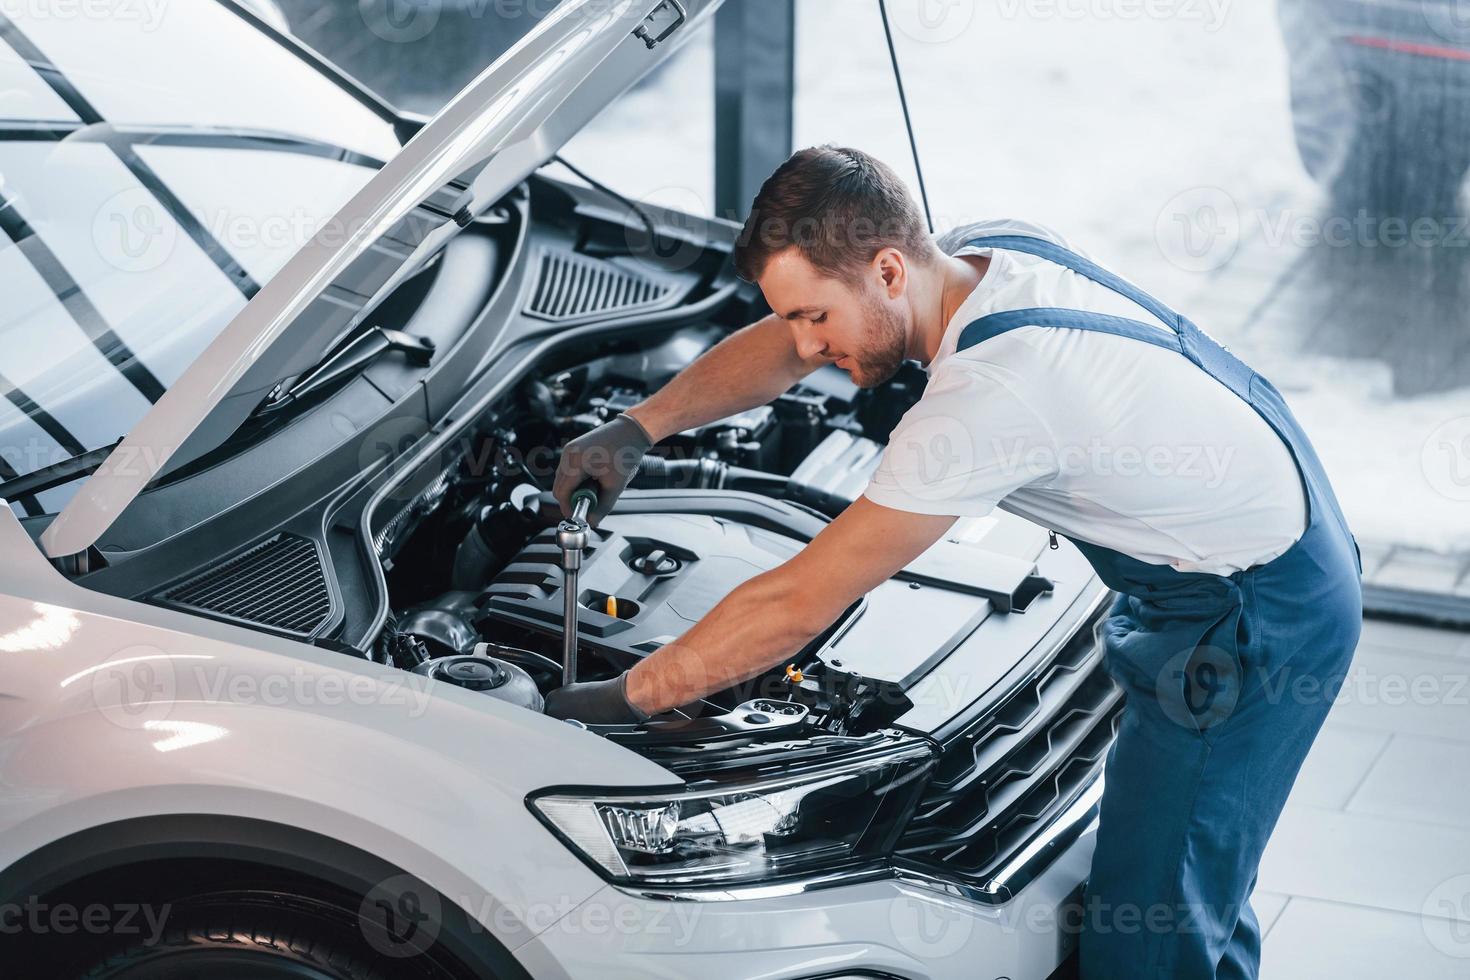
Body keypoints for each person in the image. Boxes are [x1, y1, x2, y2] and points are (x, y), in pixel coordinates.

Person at [545, 145, 1362, 979]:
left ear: (889, 269)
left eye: (815, 316)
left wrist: (621, 698)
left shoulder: (991, 392)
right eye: (793, 316)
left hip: (1253, 615)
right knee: (1195, 878)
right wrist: (642, 426)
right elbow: (787, 349)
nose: (806, 343)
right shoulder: (982, 253)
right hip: (1260, 522)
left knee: (1145, 933)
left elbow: (795, 604)